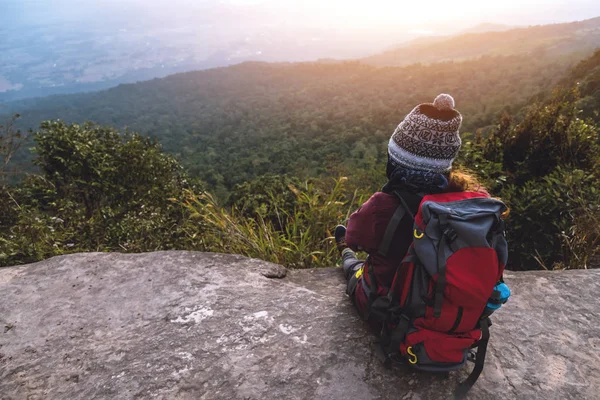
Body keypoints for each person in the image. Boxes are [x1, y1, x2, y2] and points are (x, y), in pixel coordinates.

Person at [335, 93, 488, 331]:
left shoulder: (381, 206)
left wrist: (350, 245)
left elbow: (356, 237)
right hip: (449, 313)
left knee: (355, 267)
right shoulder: (472, 202)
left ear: (395, 161)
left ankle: (343, 254)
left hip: (393, 310)